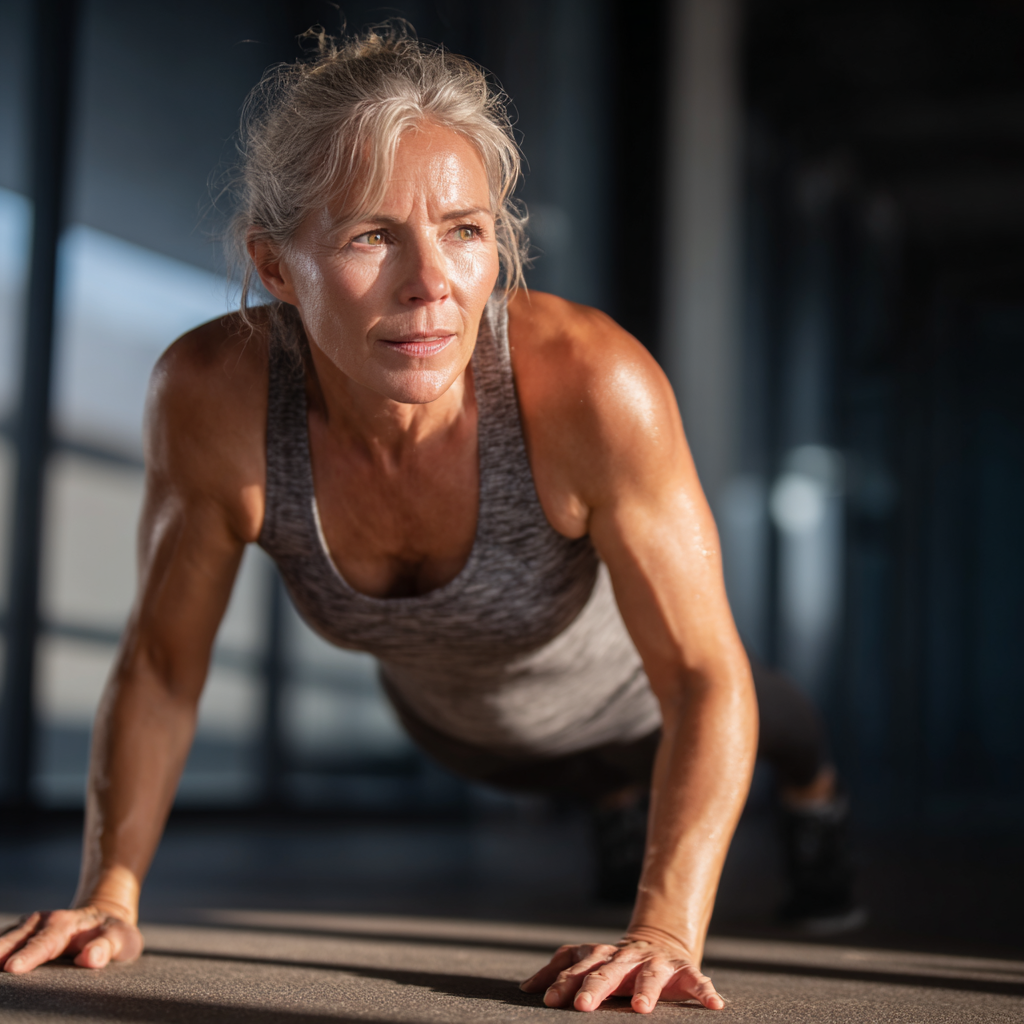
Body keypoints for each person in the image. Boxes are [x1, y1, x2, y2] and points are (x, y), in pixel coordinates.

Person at [0, 25, 848, 1011]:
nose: (430, 285)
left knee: (771, 719)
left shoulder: (589, 382)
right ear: (276, 267)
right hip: (454, 719)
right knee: (560, 770)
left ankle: (818, 809)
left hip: (632, 687)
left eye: (463, 229)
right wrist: (110, 892)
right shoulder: (212, 396)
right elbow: (160, 665)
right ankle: (610, 800)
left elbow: (704, 674)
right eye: (370, 236)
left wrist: (662, 926)